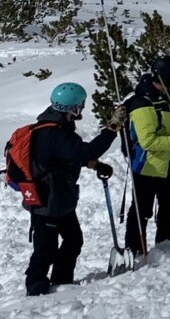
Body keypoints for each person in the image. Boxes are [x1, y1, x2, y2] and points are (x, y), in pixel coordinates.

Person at [25, 81, 123, 297]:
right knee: (46, 248)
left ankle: (62, 281)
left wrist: (94, 165)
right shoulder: (54, 134)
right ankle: (35, 287)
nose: (82, 109)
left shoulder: (54, 127)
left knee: (73, 239)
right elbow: (87, 151)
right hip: (47, 201)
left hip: (60, 199)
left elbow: (68, 158)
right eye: (81, 105)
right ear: (73, 107)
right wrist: (112, 129)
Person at [124, 54, 170, 256]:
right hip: (147, 165)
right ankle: (135, 249)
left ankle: (168, 242)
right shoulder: (143, 104)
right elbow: (148, 141)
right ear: (167, 79)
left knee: (169, 206)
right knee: (141, 210)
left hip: (167, 163)